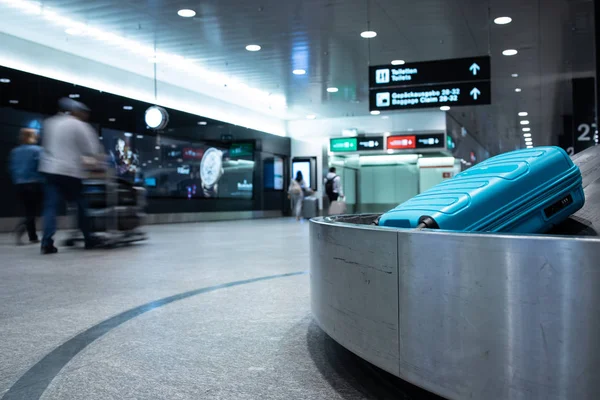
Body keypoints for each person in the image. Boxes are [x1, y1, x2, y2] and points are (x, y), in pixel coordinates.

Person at [38, 99, 104, 254]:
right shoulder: (79, 125)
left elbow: (46, 147)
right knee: (80, 204)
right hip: (69, 171)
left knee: (50, 206)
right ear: (77, 111)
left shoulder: (50, 123)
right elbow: (92, 150)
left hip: (49, 169)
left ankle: (46, 242)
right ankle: (88, 238)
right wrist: (96, 163)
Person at [8, 128, 44, 245]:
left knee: (29, 210)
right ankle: (23, 226)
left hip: (19, 184)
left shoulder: (15, 151)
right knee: (37, 211)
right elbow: (42, 166)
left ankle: (32, 236)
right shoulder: (37, 150)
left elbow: (12, 168)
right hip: (34, 183)